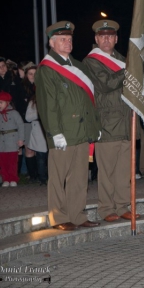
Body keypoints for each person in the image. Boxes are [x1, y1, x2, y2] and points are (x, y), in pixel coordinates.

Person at [35, 21, 102, 231]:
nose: (68, 43)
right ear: (52, 43)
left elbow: (88, 101)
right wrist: (55, 133)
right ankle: (59, 216)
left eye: (70, 39)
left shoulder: (78, 66)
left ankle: (77, 214)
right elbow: (48, 105)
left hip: (82, 131)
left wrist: (94, 126)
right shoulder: (47, 70)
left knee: (80, 177)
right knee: (59, 178)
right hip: (63, 132)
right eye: (63, 39)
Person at [83, 19, 140, 222]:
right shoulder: (91, 61)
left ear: (116, 39)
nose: (106, 39)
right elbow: (107, 84)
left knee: (124, 170)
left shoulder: (122, 59)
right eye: (102, 36)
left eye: (110, 36)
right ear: (97, 39)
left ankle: (122, 205)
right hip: (106, 122)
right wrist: (130, 68)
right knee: (107, 171)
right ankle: (106, 208)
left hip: (126, 121)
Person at [0, 91, 24, 187]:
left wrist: (21, 139)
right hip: (1, 141)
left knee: (12, 162)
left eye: (1, 102)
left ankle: (13, 178)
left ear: (7, 102)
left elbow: (21, 126)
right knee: (3, 162)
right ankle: (6, 178)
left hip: (12, 140)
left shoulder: (14, 113)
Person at [19, 62, 38, 182]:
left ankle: (39, 172)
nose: (32, 76)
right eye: (30, 74)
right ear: (26, 75)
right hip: (26, 122)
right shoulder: (21, 87)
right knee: (29, 148)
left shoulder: (41, 86)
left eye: (35, 74)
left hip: (39, 122)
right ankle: (32, 175)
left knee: (38, 149)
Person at [25, 95, 48, 186]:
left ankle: (53, 178)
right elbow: (28, 118)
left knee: (52, 158)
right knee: (41, 158)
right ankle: (42, 179)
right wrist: (40, 112)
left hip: (51, 131)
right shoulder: (33, 103)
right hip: (38, 131)